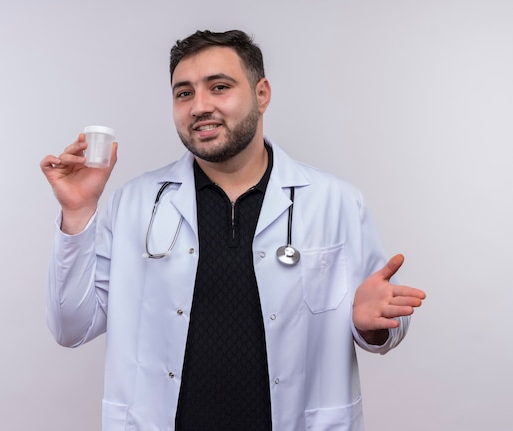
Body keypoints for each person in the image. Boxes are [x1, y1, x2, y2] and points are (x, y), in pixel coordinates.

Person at [40, 29, 426, 431]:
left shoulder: (336, 202)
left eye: (219, 87)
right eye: (184, 93)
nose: (199, 106)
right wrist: (78, 213)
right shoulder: (134, 205)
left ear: (262, 94)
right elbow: (71, 327)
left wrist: (372, 326)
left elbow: (382, 320)